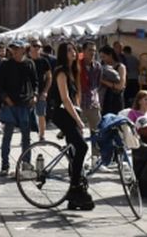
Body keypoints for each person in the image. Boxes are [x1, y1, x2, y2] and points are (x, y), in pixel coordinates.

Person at [48, 41, 94, 211]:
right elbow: (65, 99)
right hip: (59, 113)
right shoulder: (61, 72)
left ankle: (75, 197)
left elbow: (75, 98)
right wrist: (79, 121)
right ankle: (74, 187)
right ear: (62, 53)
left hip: (68, 113)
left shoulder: (73, 71)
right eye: (68, 50)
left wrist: (78, 113)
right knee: (81, 147)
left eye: (74, 49)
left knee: (76, 149)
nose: (73, 52)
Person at [0, 40, 37, 177]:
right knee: (7, 136)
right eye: (12, 48)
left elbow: (35, 82)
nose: (14, 51)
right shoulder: (5, 64)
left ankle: (26, 163)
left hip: (25, 104)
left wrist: (35, 96)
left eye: (17, 48)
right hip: (10, 105)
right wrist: (5, 98)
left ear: (23, 49)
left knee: (26, 137)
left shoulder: (29, 63)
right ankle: (5, 165)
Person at [78, 41, 101, 159]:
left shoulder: (97, 66)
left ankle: (95, 158)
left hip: (92, 103)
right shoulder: (77, 65)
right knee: (77, 133)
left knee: (96, 132)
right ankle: (77, 158)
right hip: (79, 103)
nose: (92, 53)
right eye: (90, 50)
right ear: (83, 51)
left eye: (94, 50)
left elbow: (97, 85)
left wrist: (96, 100)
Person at [28, 41, 52, 140]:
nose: (37, 48)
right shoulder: (27, 61)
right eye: (35, 46)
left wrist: (45, 91)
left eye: (39, 46)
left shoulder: (44, 61)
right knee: (27, 115)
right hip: (28, 92)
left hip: (41, 91)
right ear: (30, 48)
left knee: (41, 114)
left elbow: (49, 77)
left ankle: (42, 135)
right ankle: (26, 136)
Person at [98, 47, 125, 116]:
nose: (102, 59)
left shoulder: (120, 67)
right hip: (104, 99)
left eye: (104, 56)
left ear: (110, 55)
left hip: (115, 99)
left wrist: (103, 81)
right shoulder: (102, 67)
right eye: (101, 57)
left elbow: (120, 86)